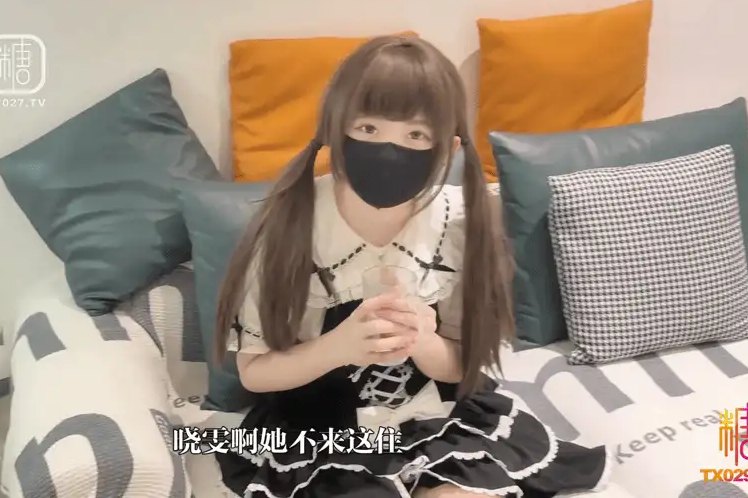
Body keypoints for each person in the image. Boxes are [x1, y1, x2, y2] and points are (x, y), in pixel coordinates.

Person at [212, 36, 609, 497]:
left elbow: (464, 364)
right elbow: (254, 371)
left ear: (448, 148)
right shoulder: (288, 222)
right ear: (335, 128)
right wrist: (338, 347)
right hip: (318, 424)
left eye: (416, 135)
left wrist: (423, 340)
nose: (389, 149)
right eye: (368, 128)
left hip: (438, 413)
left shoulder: (462, 222)